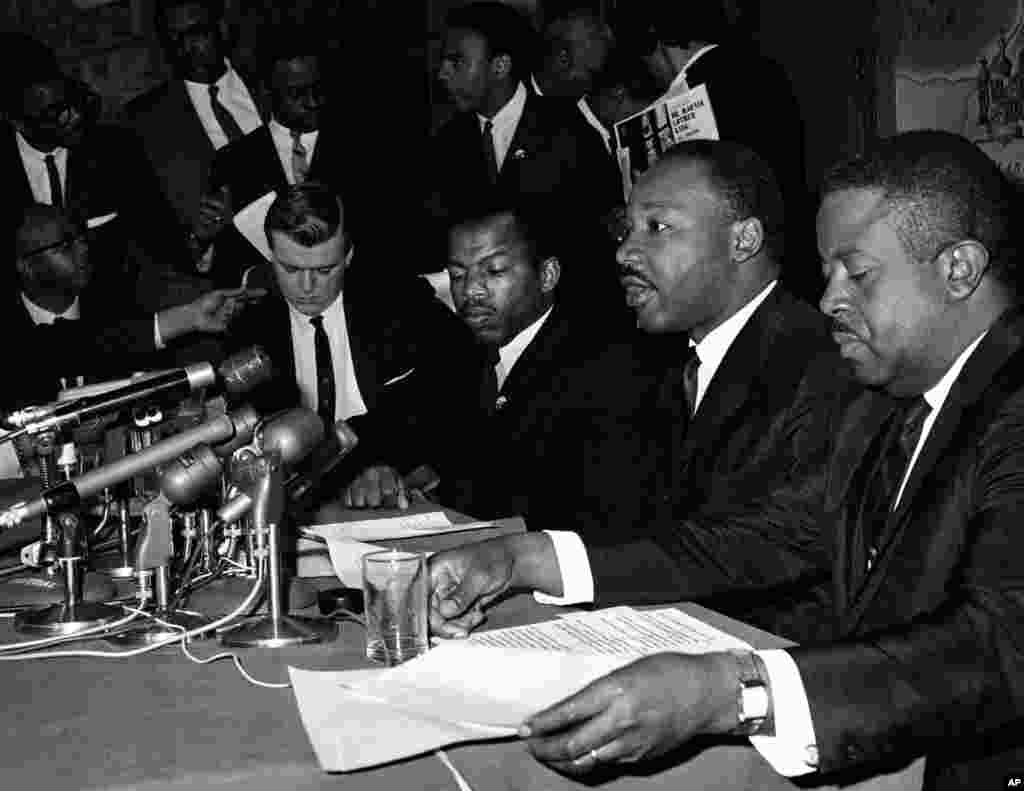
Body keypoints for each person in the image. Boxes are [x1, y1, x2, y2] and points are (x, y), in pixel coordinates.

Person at [429, 130, 1024, 790]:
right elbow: (759, 538)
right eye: (827, 274)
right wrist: (526, 557)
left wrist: (736, 691)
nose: (829, 299)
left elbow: (998, 640)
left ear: (959, 269)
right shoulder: (892, 400)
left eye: (856, 273)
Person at [341, 204, 607, 518]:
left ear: (547, 275)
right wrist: (380, 467)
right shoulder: (462, 352)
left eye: (494, 271)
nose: (470, 291)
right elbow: (398, 423)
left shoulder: (597, 366)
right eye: (457, 275)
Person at [226, 181, 471, 470]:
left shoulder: (402, 302)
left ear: (348, 256)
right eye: (290, 269)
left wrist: (380, 463)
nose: (306, 287)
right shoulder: (249, 330)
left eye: (324, 270)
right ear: (270, 255)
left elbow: (459, 381)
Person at [430, 1, 626, 330]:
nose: (443, 73)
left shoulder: (570, 133)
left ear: (500, 65)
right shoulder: (446, 145)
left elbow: (601, 239)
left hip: (566, 328)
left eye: (457, 62)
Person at [613, 2, 815, 301]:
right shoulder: (760, 68)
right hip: (789, 255)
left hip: (735, 276)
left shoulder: (693, 94)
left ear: (653, 44)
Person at [2, 204, 262, 411]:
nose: (83, 248)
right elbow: (62, 347)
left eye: (82, 236)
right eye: (65, 245)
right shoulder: (12, 335)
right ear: (26, 266)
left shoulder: (121, 305)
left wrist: (193, 315)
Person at [0, 34, 191, 310]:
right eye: (53, 113)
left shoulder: (115, 151)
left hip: (117, 315)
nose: (73, 117)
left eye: (67, 101)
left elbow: (159, 243)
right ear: (15, 120)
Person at [121, 0, 265, 282]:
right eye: (173, 38)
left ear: (221, 29)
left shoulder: (268, 81)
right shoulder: (146, 120)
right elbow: (147, 230)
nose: (186, 47)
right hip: (226, 284)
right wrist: (197, 239)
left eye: (196, 33)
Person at [530, 7, 615, 153]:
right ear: (562, 59)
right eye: (591, 73)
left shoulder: (584, 124)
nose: (592, 87)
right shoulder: (507, 103)